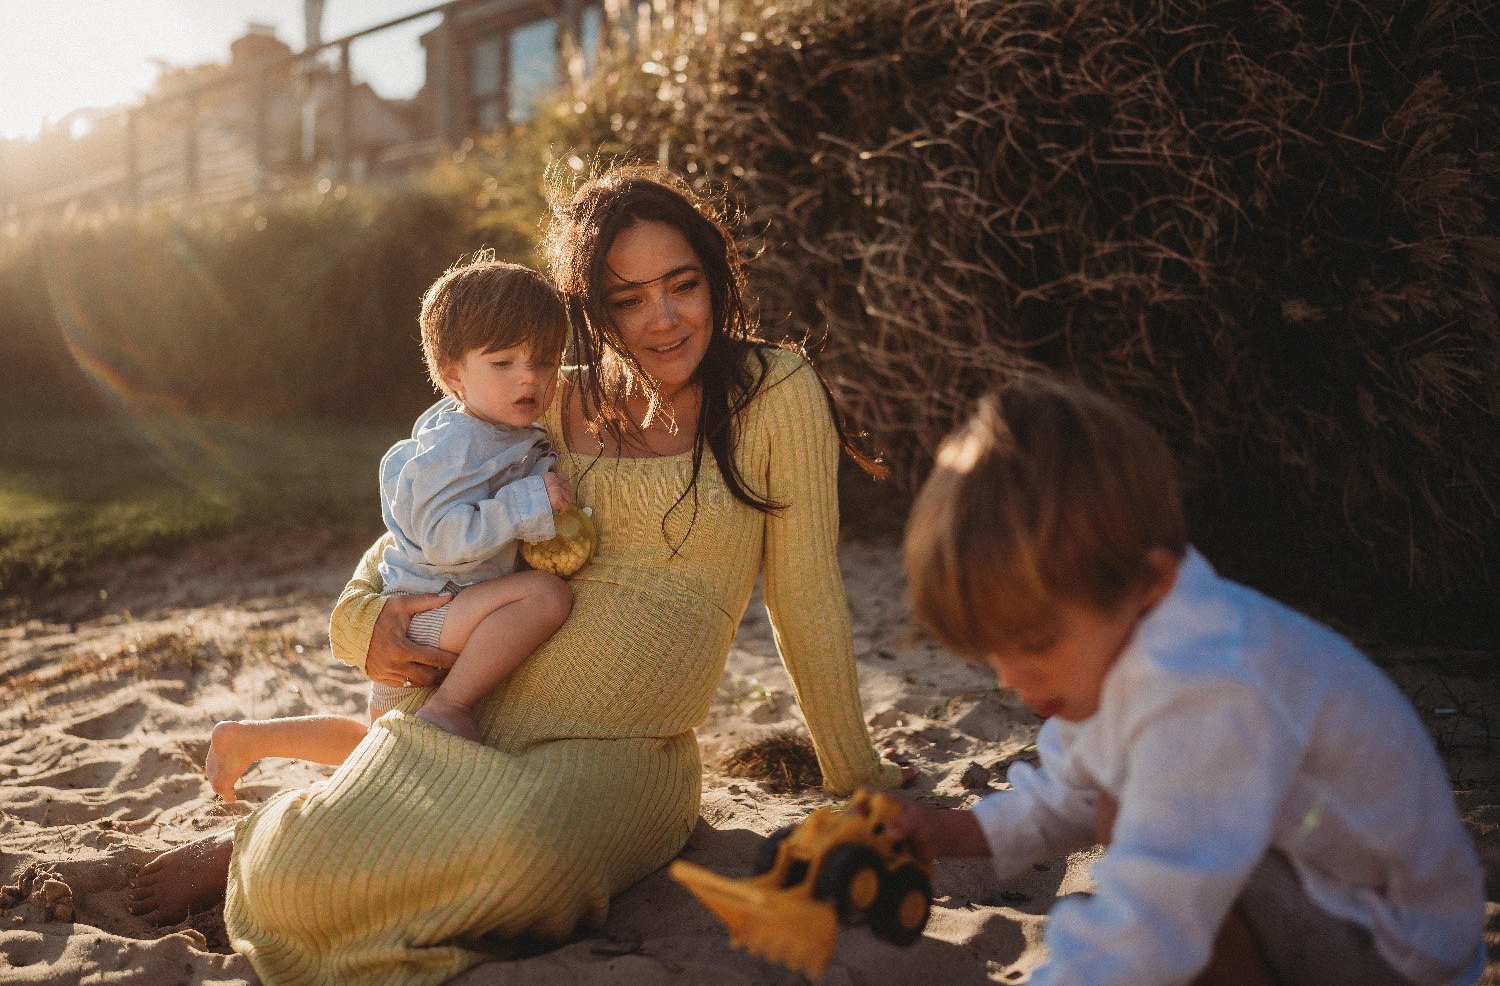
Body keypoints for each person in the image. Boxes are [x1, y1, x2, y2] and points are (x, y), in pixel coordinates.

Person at [127, 164, 903, 983]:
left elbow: (805, 594)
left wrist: (857, 774)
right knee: (306, 879)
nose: (664, 320)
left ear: (717, 277)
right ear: (590, 312)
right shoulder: (545, 403)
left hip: (624, 753)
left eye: (683, 285)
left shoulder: (775, 391)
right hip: (462, 719)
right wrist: (370, 629)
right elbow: (408, 544)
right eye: (627, 299)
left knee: (521, 860)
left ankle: (312, 822)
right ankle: (267, 839)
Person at [886, 373, 1485, 985]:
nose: (1012, 678)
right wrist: (949, 832)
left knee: (1134, 826)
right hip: (1308, 884)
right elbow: (1070, 793)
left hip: (1391, 943)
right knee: (1121, 805)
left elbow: (1150, 922)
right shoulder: (1124, 645)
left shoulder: (1203, 684)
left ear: (1149, 584)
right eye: (992, 655)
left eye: (1038, 644)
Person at [201, 259, 575, 803]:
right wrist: (527, 503)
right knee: (546, 597)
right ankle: (453, 706)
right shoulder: (452, 450)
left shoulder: (500, 428)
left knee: (372, 740)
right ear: (454, 377)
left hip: (457, 605)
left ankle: (248, 739)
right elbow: (441, 539)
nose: (530, 378)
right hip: (427, 611)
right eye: (503, 362)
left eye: (544, 361)